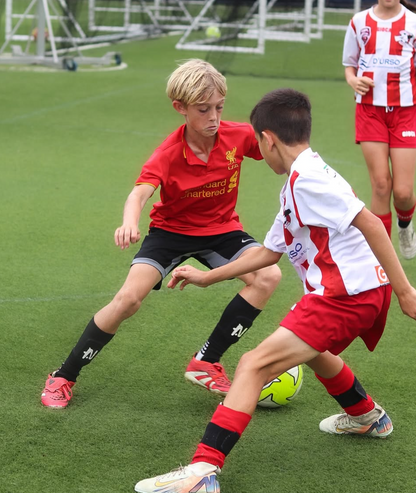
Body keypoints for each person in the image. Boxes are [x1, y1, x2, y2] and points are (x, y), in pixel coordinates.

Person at [134, 88, 416, 493]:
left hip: (345, 295)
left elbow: (370, 223)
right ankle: (367, 415)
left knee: (252, 365)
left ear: (267, 139)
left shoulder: (310, 180)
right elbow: (268, 253)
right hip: (355, 293)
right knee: (315, 351)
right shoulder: (300, 179)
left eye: (258, 143)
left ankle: (201, 472)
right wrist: (206, 276)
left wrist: (406, 290)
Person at [40, 59, 281, 408]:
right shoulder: (168, 154)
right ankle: (63, 375)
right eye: (203, 109)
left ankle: (206, 361)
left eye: (219, 107)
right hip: (170, 233)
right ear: (180, 108)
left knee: (268, 276)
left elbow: (277, 154)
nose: (213, 117)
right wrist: (129, 222)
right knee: (128, 300)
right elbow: (140, 192)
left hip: (223, 230)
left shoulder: (238, 135)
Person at [342, 0, 416, 259]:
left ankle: (405, 224)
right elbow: (349, 64)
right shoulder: (359, 21)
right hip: (370, 111)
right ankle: (380, 259)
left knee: (404, 193)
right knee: (381, 184)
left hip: (406, 111)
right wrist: (353, 80)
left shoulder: (413, 23)